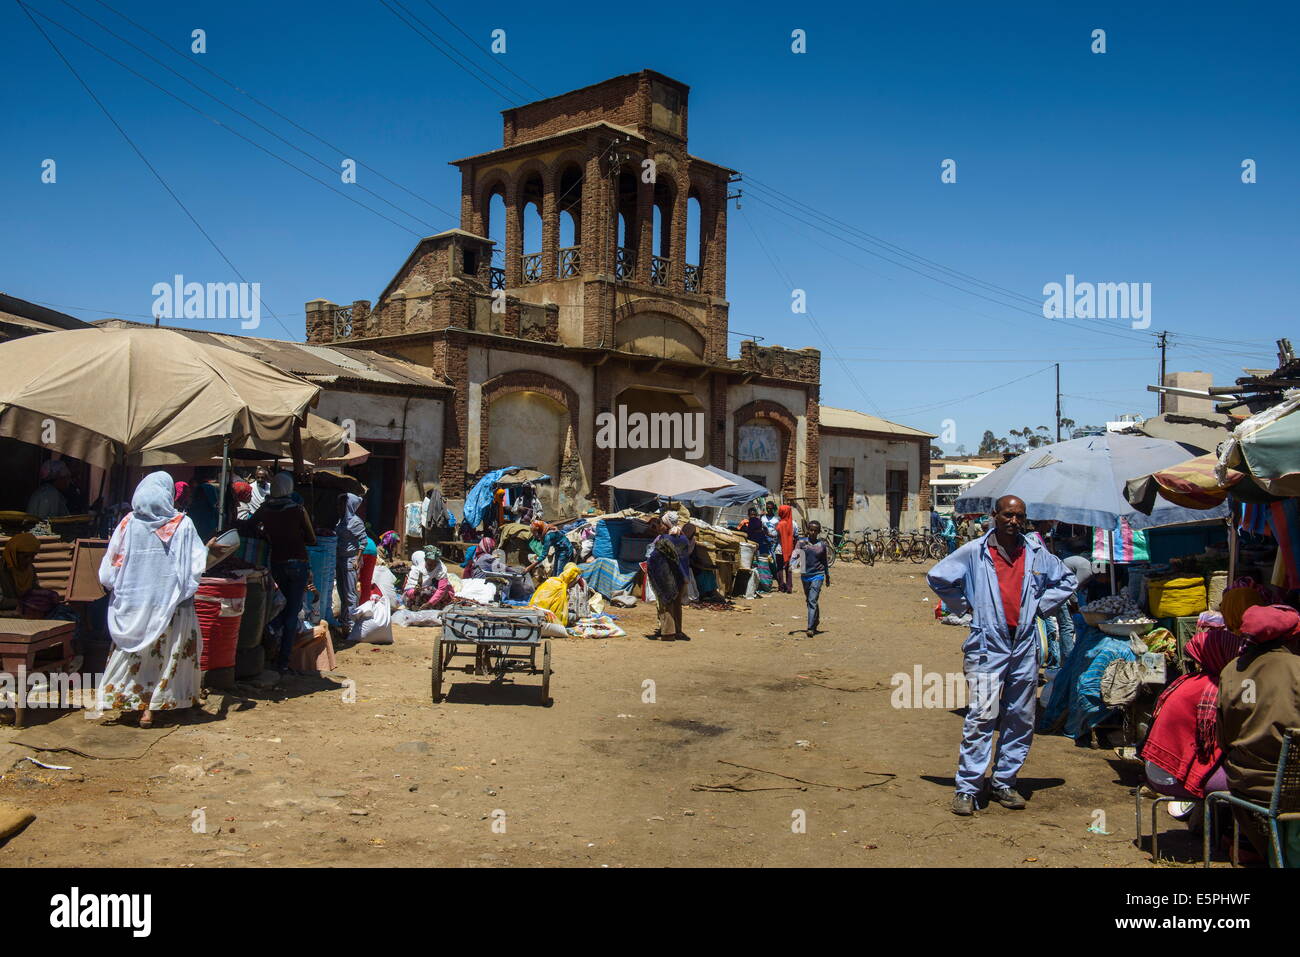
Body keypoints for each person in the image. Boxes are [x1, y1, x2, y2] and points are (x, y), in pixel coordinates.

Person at [926, 494, 1076, 816]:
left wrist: (1041, 605)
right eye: (1008, 515)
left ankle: (1005, 781)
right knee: (982, 716)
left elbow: (1067, 580)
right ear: (995, 515)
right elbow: (937, 577)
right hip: (987, 645)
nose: (1013, 521)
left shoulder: (1037, 552)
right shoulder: (974, 552)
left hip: (1023, 645)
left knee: (1020, 718)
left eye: (1019, 516)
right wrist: (964, 605)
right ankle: (968, 787)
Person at [96, 472, 208, 727]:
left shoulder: (128, 523)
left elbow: (110, 568)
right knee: (169, 655)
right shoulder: (183, 524)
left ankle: (127, 700)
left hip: (134, 607)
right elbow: (195, 565)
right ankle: (153, 708)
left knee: (135, 655)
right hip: (171, 607)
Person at [1217, 602, 1300, 865]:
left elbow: (1224, 738)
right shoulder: (1297, 667)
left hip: (1249, 783)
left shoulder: (1231, 671)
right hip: (1293, 785)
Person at [1139, 625, 1246, 801]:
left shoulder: (1186, 680)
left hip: (1157, 768)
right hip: (1171, 777)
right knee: (1250, 785)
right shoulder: (1213, 689)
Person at [237, 472, 316, 673]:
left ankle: (271, 633)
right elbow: (311, 538)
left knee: (279, 604)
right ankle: (283, 661)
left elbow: (249, 526)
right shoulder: (298, 510)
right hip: (298, 562)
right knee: (292, 609)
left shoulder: (265, 509)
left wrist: (270, 535)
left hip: (277, 562)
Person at [647, 522, 694, 641]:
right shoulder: (684, 540)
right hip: (681, 575)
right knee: (677, 604)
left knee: (666, 603)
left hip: (666, 576)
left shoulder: (664, 540)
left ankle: (668, 632)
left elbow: (654, 557)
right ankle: (677, 631)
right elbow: (684, 557)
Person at [334, 492, 367, 639]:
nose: (339, 507)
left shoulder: (355, 522)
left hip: (349, 561)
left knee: (350, 594)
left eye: (342, 504)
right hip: (339, 560)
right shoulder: (340, 521)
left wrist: (357, 559)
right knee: (342, 593)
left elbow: (363, 541)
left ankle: (353, 626)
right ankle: (344, 623)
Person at [797, 521, 831, 637]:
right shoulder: (802, 543)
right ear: (808, 530)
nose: (813, 532)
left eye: (815, 530)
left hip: (818, 574)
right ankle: (815, 620)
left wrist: (827, 576)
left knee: (812, 600)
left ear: (818, 532)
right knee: (810, 600)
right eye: (811, 530)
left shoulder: (822, 545)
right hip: (806, 576)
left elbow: (824, 562)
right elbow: (799, 558)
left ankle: (810, 628)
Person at [773, 504, 795, 594]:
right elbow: (796, 536)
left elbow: (775, 535)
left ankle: (781, 586)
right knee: (788, 568)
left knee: (780, 568)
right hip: (790, 549)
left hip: (779, 549)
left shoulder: (779, 524)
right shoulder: (793, 524)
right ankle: (789, 587)